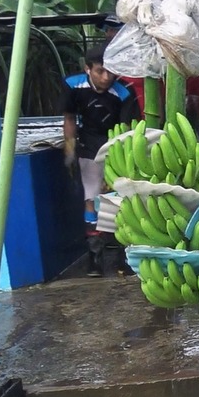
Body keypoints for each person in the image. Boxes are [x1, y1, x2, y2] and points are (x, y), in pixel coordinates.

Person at [62, 47, 140, 277]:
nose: (107, 77)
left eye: (111, 72)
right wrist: (69, 151)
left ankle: (120, 257)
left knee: (117, 200)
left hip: (116, 144)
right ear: (88, 69)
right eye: (100, 71)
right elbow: (69, 119)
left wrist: (116, 166)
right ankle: (95, 259)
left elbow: (126, 129)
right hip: (87, 144)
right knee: (91, 198)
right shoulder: (73, 85)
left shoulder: (124, 91)